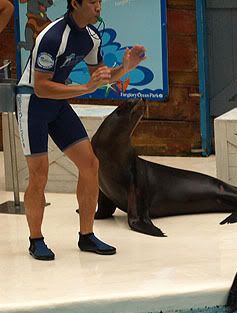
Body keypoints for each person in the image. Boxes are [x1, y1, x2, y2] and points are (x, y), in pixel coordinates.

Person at [15, 0, 146, 260]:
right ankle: (36, 240)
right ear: (75, 3)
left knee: (90, 164)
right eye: (92, 2)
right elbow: (41, 87)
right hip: (32, 103)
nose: (99, 7)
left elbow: (100, 78)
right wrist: (85, 88)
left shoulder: (91, 38)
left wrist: (125, 68)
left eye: (100, 2)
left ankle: (87, 235)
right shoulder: (52, 36)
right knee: (39, 174)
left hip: (57, 103)